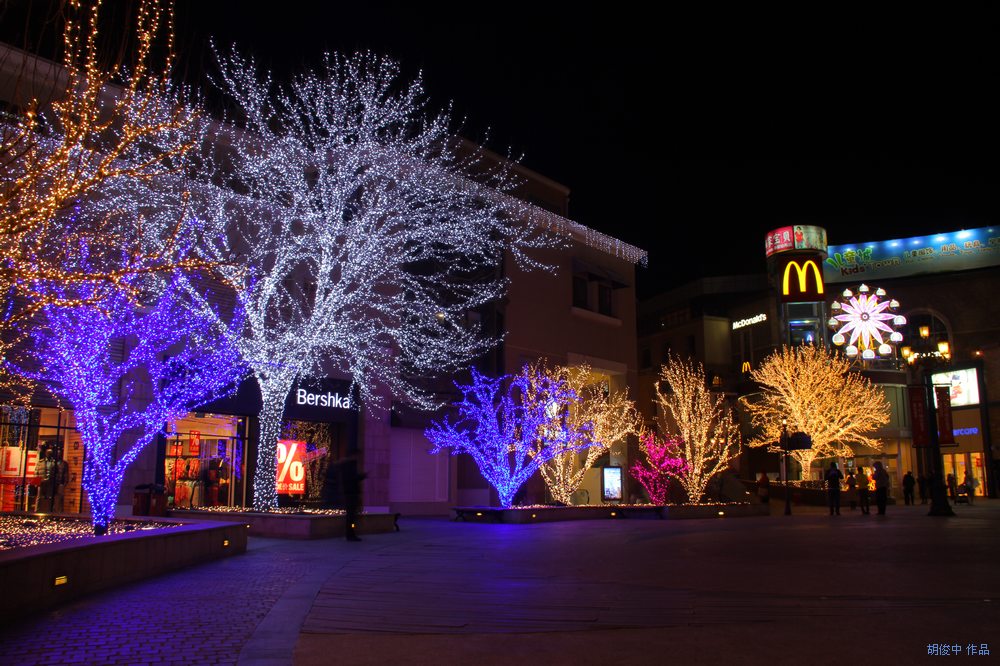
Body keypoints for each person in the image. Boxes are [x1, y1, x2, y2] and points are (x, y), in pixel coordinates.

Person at [340, 453, 367, 542]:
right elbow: (353, 479)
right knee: (351, 518)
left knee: (351, 517)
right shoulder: (350, 467)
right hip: (351, 495)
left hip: (350, 495)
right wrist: (361, 476)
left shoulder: (347, 467)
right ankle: (351, 533)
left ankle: (351, 533)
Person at [34, 447, 58, 512]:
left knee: (50, 497)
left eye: (50, 453)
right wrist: (36, 482)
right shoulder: (40, 462)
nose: (49, 454)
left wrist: (55, 482)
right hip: (42, 481)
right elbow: (36, 472)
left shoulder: (54, 463)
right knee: (39, 496)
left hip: (50, 482)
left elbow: (56, 473)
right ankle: (36, 510)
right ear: (45, 454)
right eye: (48, 453)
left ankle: (50, 510)